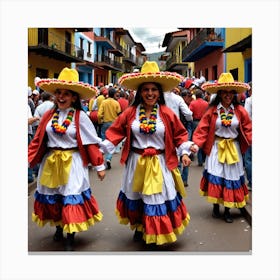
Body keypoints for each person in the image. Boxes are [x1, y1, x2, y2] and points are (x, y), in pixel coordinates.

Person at [99, 61, 198, 246]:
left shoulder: (167, 113)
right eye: (146, 89)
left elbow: (179, 135)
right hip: (136, 162)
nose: (150, 93)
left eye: (154, 89)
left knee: (156, 197)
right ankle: (139, 226)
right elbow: (115, 133)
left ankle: (154, 234)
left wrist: (185, 152)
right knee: (137, 196)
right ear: (139, 92)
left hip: (160, 163)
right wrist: (99, 151)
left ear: (159, 92)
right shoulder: (130, 113)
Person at [28, 67, 106, 251]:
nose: (61, 97)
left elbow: (91, 142)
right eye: (58, 93)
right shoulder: (49, 115)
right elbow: (38, 139)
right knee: (54, 197)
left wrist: (99, 165)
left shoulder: (81, 117)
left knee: (70, 196)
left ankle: (70, 235)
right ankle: (58, 227)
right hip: (51, 161)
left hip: (73, 163)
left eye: (66, 94)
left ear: (74, 97)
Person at [192, 73, 252, 223]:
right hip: (216, 147)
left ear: (234, 93)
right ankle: (215, 207)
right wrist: (195, 145)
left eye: (231, 92)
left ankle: (227, 210)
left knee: (230, 178)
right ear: (219, 94)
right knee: (217, 176)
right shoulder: (212, 111)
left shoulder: (240, 111)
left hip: (233, 148)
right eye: (224, 92)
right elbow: (202, 129)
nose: (228, 95)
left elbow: (248, 129)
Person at [98, 87, 121, 169]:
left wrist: (100, 121)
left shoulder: (104, 102)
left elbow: (99, 114)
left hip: (105, 123)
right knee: (112, 143)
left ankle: (100, 160)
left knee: (104, 142)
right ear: (114, 94)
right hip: (113, 125)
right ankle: (108, 158)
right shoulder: (116, 103)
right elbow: (119, 114)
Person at [189, 88, 209, 166]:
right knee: (204, 139)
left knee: (196, 140)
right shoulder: (206, 103)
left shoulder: (193, 103)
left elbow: (190, 113)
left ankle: (199, 158)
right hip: (204, 122)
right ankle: (203, 158)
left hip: (195, 122)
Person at [244, 81, 252, 190]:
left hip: (251, 131)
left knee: (249, 158)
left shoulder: (249, 100)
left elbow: (246, 117)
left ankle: (251, 182)